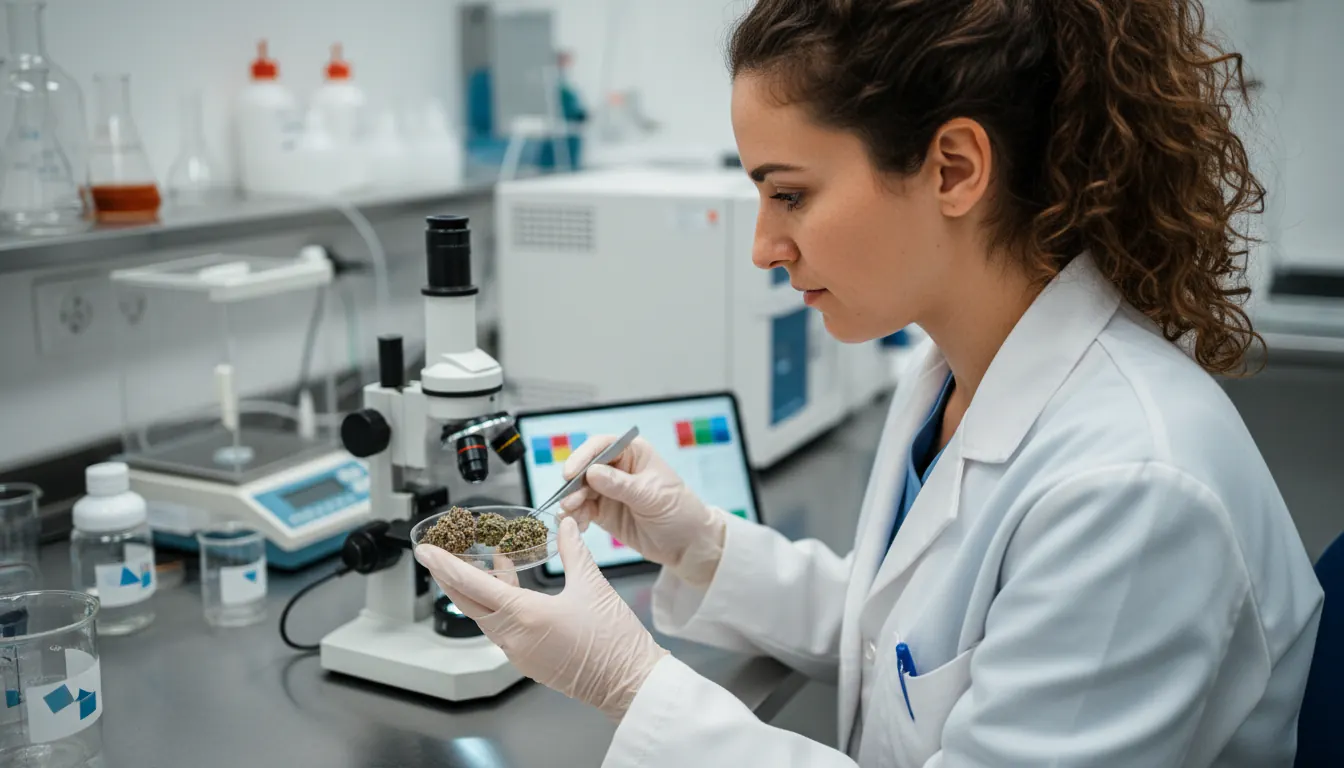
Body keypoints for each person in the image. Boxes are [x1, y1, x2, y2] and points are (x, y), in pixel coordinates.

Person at [415, 0, 1324, 765]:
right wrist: (700, 545)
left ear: (954, 169)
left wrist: (631, 680)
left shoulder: (1132, 490)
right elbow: (907, 643)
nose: (765, 246)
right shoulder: (950, 370)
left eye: (792, 193)